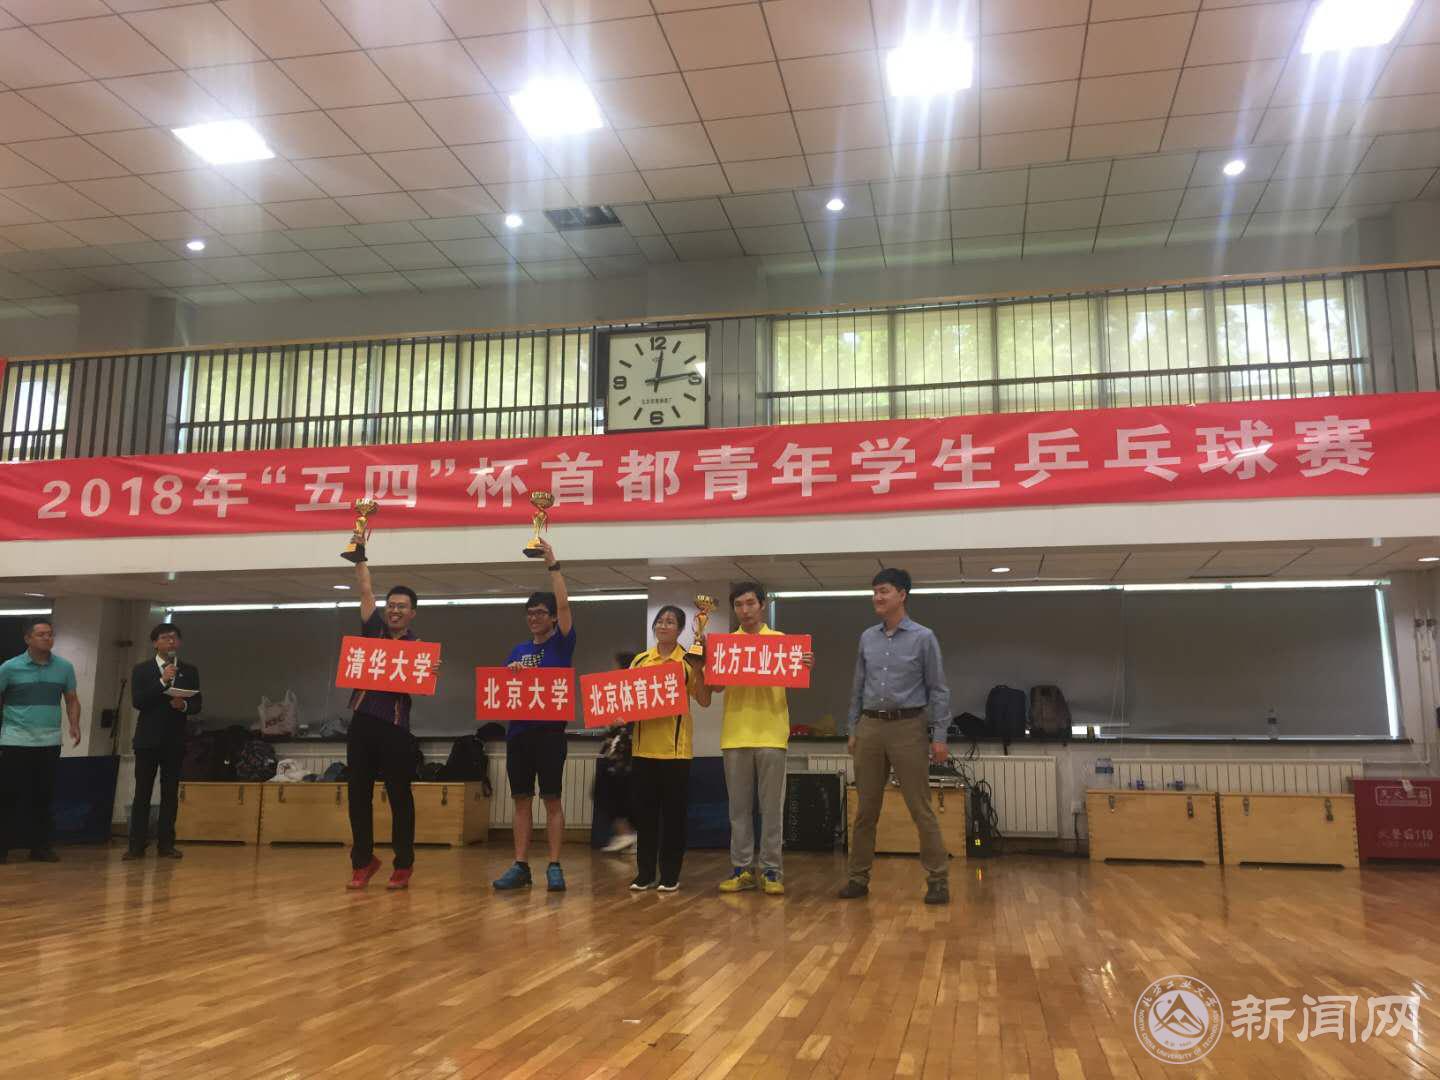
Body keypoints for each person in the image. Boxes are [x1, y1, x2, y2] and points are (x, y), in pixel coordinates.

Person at [839, 568, 952, 905]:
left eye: (884, 591)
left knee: (920, 808)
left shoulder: (923, 637)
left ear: (902, 595)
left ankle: (938, 879)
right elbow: (858, 686)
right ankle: (858, 878)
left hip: (908, 727)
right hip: (870, 727)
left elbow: (938, 689)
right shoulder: (867, 638)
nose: (877, 597)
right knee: (865, 810)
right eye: (874, 591)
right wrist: (853, 728)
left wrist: (940, 735)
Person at [708, 582, 813, 896]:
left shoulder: (781, 642)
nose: (745, 610)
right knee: (738, 810)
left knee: (771, 809)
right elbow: (715, 688)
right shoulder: (726, 645)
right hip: (735, 735)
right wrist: (708, 665)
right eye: (739, 605)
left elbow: (796, 675)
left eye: (750, 603)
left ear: (763, 605)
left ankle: (771, 871)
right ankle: (741, 870)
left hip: (771, 734)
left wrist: (804, 665)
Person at [494, 539, 575, 892]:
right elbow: (502, 692)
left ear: (553, 617)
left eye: (540, 613)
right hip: (519, 735)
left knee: (552, 799)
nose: (534, 618)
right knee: (521, 800)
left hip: (551, 734)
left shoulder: (562, 644)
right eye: (529, 613)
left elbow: (564, 602)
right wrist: (510, 674)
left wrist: (552, 563)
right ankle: (521, 865)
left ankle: (554, 865)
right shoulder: (518, 650)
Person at [345, 551, 421, 891]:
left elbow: (421, 683)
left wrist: (429, 671)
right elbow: (365, 590)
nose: (394, 610)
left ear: (412, 613)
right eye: (391, 605)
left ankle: (403, 864)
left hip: (395, 728)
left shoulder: (417, 647)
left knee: (399, 797)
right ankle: (362, 861)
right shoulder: (373, 631)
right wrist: (360, 557)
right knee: (357, 795)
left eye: (402, 606)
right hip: (362, 722)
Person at [628, 605, 712, 892]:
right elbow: (627, 699)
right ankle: (644, 873)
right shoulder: (640, 661)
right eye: (660, 621)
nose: (664, 626)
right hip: (643, 751)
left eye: (670, 622)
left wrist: (699, 670)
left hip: (676, 753)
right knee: (645, 817)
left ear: (680, 630)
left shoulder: (687, 662)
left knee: (674, 818)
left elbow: (704, 701)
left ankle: (670, 874)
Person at [0, 617, 81, 865]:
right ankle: (3, 848)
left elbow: (72, 699)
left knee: (43, 796)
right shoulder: (9, 667)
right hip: (15, 740)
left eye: (50, 634)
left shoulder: (64, 667)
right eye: (41, 634)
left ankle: (40, 847)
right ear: (28, 639)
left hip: (49, 741)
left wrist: (74, 725)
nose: (47, 638)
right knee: (9, 795)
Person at [125, 622, 202, 860]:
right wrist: (162, 682)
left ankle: (166, 844)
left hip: (175, 740)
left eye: (174, 638)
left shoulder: (189, 670)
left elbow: (197, 704)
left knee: (170, 794)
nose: (170, 641)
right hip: (147, 740)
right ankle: (136, 846)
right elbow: (138, 701)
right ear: (155, 643)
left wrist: (184, 704)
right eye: (165, 637)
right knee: (142, 793)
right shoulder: (142, 669)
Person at [596, 651, 637, 854]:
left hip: (624, 755)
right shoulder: (614, 693)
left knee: (616, 793)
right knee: (604, 792)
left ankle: (627, 833)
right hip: (613, 752)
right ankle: (625, 833)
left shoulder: (634, 693)